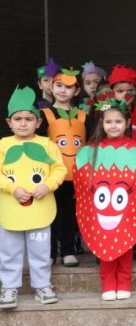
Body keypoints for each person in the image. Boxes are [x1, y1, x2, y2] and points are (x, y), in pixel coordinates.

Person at [73, 98, 136, 301]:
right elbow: (82, 181)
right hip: (100, 210)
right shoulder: (90, 151)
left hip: (126, 209)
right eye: (109, 121)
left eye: (118, 121)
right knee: (104, 245)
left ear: (128, 123)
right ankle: (108, 284)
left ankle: (124, 283)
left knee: (125, 245)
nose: (113, 126)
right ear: (102, 123)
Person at [0, 86, 67, 309]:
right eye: (17, 119)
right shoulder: (3, 145)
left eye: (29, 119)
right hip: (10, 210)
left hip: (40, 210)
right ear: (9, 122)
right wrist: (12, 188)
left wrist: (47, 186)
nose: (23, 123)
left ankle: (42, 285)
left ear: (38, 123)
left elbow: (59, 169)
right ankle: (9, 287)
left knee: (40, 251)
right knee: (9, 251)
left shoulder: (47, 145)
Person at [38, 63, 87, 268]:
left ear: (76, 90)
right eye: (59, 85)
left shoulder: (83, 115)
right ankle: (49, 253)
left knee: (69, 213)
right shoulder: (43, 114)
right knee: (50, 214)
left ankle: (68, 251)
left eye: (68, 87)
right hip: (51, 174)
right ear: (51, 86)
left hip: (74, 174)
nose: (63, 90)